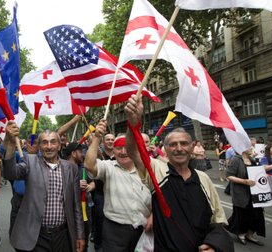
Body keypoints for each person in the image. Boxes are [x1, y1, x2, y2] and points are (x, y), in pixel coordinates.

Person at [125, 94, 233, 251]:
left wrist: (214, 245)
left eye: (184, 143)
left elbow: (217, 220)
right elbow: (134, 152)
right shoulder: (157, 171)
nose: (179, 148)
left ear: (191, 148)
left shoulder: (204, 179)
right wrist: (133, 125)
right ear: (165, 150)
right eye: (173, 144)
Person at [3, 121, 85, 252]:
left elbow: (76, 206)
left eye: (53, 142)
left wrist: (80, 235)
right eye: (45, 142)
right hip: (37, 236)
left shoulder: (71, 168)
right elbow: (10, 173)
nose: (49, 146)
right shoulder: (30, 161)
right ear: (40, 146)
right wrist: (11, 144)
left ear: (59, 146)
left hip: (62, 235)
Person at [85, 123, 152, 252]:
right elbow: (89, 164)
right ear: (113, 150)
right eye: (119, 148)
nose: (123, 152)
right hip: (114, 231)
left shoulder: (149, 167)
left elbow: (161, 194)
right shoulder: (108, 167)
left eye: (127, 148)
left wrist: (153, 216)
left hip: (144, 229)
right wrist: (97, 139)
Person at [226, 149, 265, 246]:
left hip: (254, 193)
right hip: (241, 193)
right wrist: (244, 181)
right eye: (249, 147)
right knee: (244, 214)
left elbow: (257, 173)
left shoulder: (251, 159)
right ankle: (241, 234)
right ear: (243, 148)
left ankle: (249, 234)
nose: (252, 148)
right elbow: (229, 176)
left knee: (257, 215)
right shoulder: (236, 159)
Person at [66, 142, 95, 250]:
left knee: (84, 240)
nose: (82, 154)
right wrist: (75, 185)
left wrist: (90, 186)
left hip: (85, 211)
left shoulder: (83, 168)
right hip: (70, 212)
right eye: (80, 152)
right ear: (73, 153)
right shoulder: (63, 168)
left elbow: (93, 182)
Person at [259, 144, 272, 212]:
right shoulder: (265, 158)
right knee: (270, 194)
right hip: (270, 177)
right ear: (268, 150)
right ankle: (261, 207)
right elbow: (264, 168)